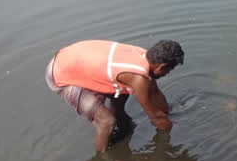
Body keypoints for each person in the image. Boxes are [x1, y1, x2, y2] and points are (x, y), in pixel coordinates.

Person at [45, 39, 184, 152]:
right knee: (106, 122)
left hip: (72, 58)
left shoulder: (143, 56)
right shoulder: (138, 78)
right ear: (162, 67)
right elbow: (157, 118)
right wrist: (174, 133)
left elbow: (155, 93)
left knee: (123, 98)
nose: (167, 74)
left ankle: (124, 131)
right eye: (169, 71)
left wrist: (168, 113)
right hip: (60, 73)